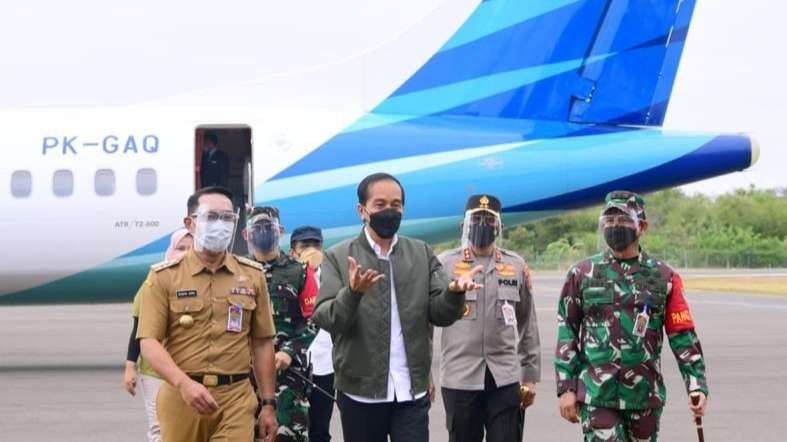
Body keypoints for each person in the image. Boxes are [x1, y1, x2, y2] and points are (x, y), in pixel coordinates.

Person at [312, 172, 483, 442]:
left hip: (410, 393)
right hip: (361, 392)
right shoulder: (338, 256)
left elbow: (440, 314)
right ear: (362, 210)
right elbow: (326, 317)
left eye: (396, 205)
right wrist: (353, 294)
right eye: (380, 205)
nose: (389, 212)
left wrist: (453, 294)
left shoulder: (421, 253)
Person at [555, 190, 708, 441]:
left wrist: (696, 384)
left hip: (644, 396)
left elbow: (682, 335)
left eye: (624, 220)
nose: (615, 226)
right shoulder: (582, 273)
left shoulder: (663, 277)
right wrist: (566, 387)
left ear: (642, 226)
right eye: (610, 220)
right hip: (597, 394)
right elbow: (567, 330)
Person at [137, 186, 278, 442]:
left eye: (228, 218)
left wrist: (268, 403)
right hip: (182, 397)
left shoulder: (253, 276)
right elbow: (148, 342)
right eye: (211, 217)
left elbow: (262, 343)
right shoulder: (163, 277)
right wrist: (183, 384)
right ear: (190, 224)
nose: (221, 225)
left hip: (235, 399)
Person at [438, 194, 541, 442]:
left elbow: (528, 322)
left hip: (504, 377)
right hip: (459, 376)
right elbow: (428, 318)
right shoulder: (445, 265)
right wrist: (424, 376)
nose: (482, 224)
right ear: (464, 226)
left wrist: (529, 376)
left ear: (499, 227)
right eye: (476, 219)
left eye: (489, 219)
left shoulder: (515, 266)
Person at [244, 207, 319, 442]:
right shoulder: (238, 271)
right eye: (257, 228)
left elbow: (315, 318)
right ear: (247, 234)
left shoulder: (300, 272)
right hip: (246, 375)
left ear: (281, 231)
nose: (263, 233)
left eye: (269, 228)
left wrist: (289, 351)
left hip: (288, 375)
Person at [124, 229, 193, 442]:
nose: (185, 254)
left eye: (191, 249)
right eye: (180, 248)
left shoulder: (203, 283)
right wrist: (130, 367)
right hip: (154, 372)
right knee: (159, 430)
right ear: (170, 251)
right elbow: (138, 329)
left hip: (189, 371)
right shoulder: (153, 283)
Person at [290, 225, 335, 442]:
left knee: (320, 429)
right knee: (290, 429)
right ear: (293, 251)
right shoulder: (286, 280)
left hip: (325, 366)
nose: (311, 250)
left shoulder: (332, 277)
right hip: (295, 366)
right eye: (305, 245)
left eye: (316, 244)